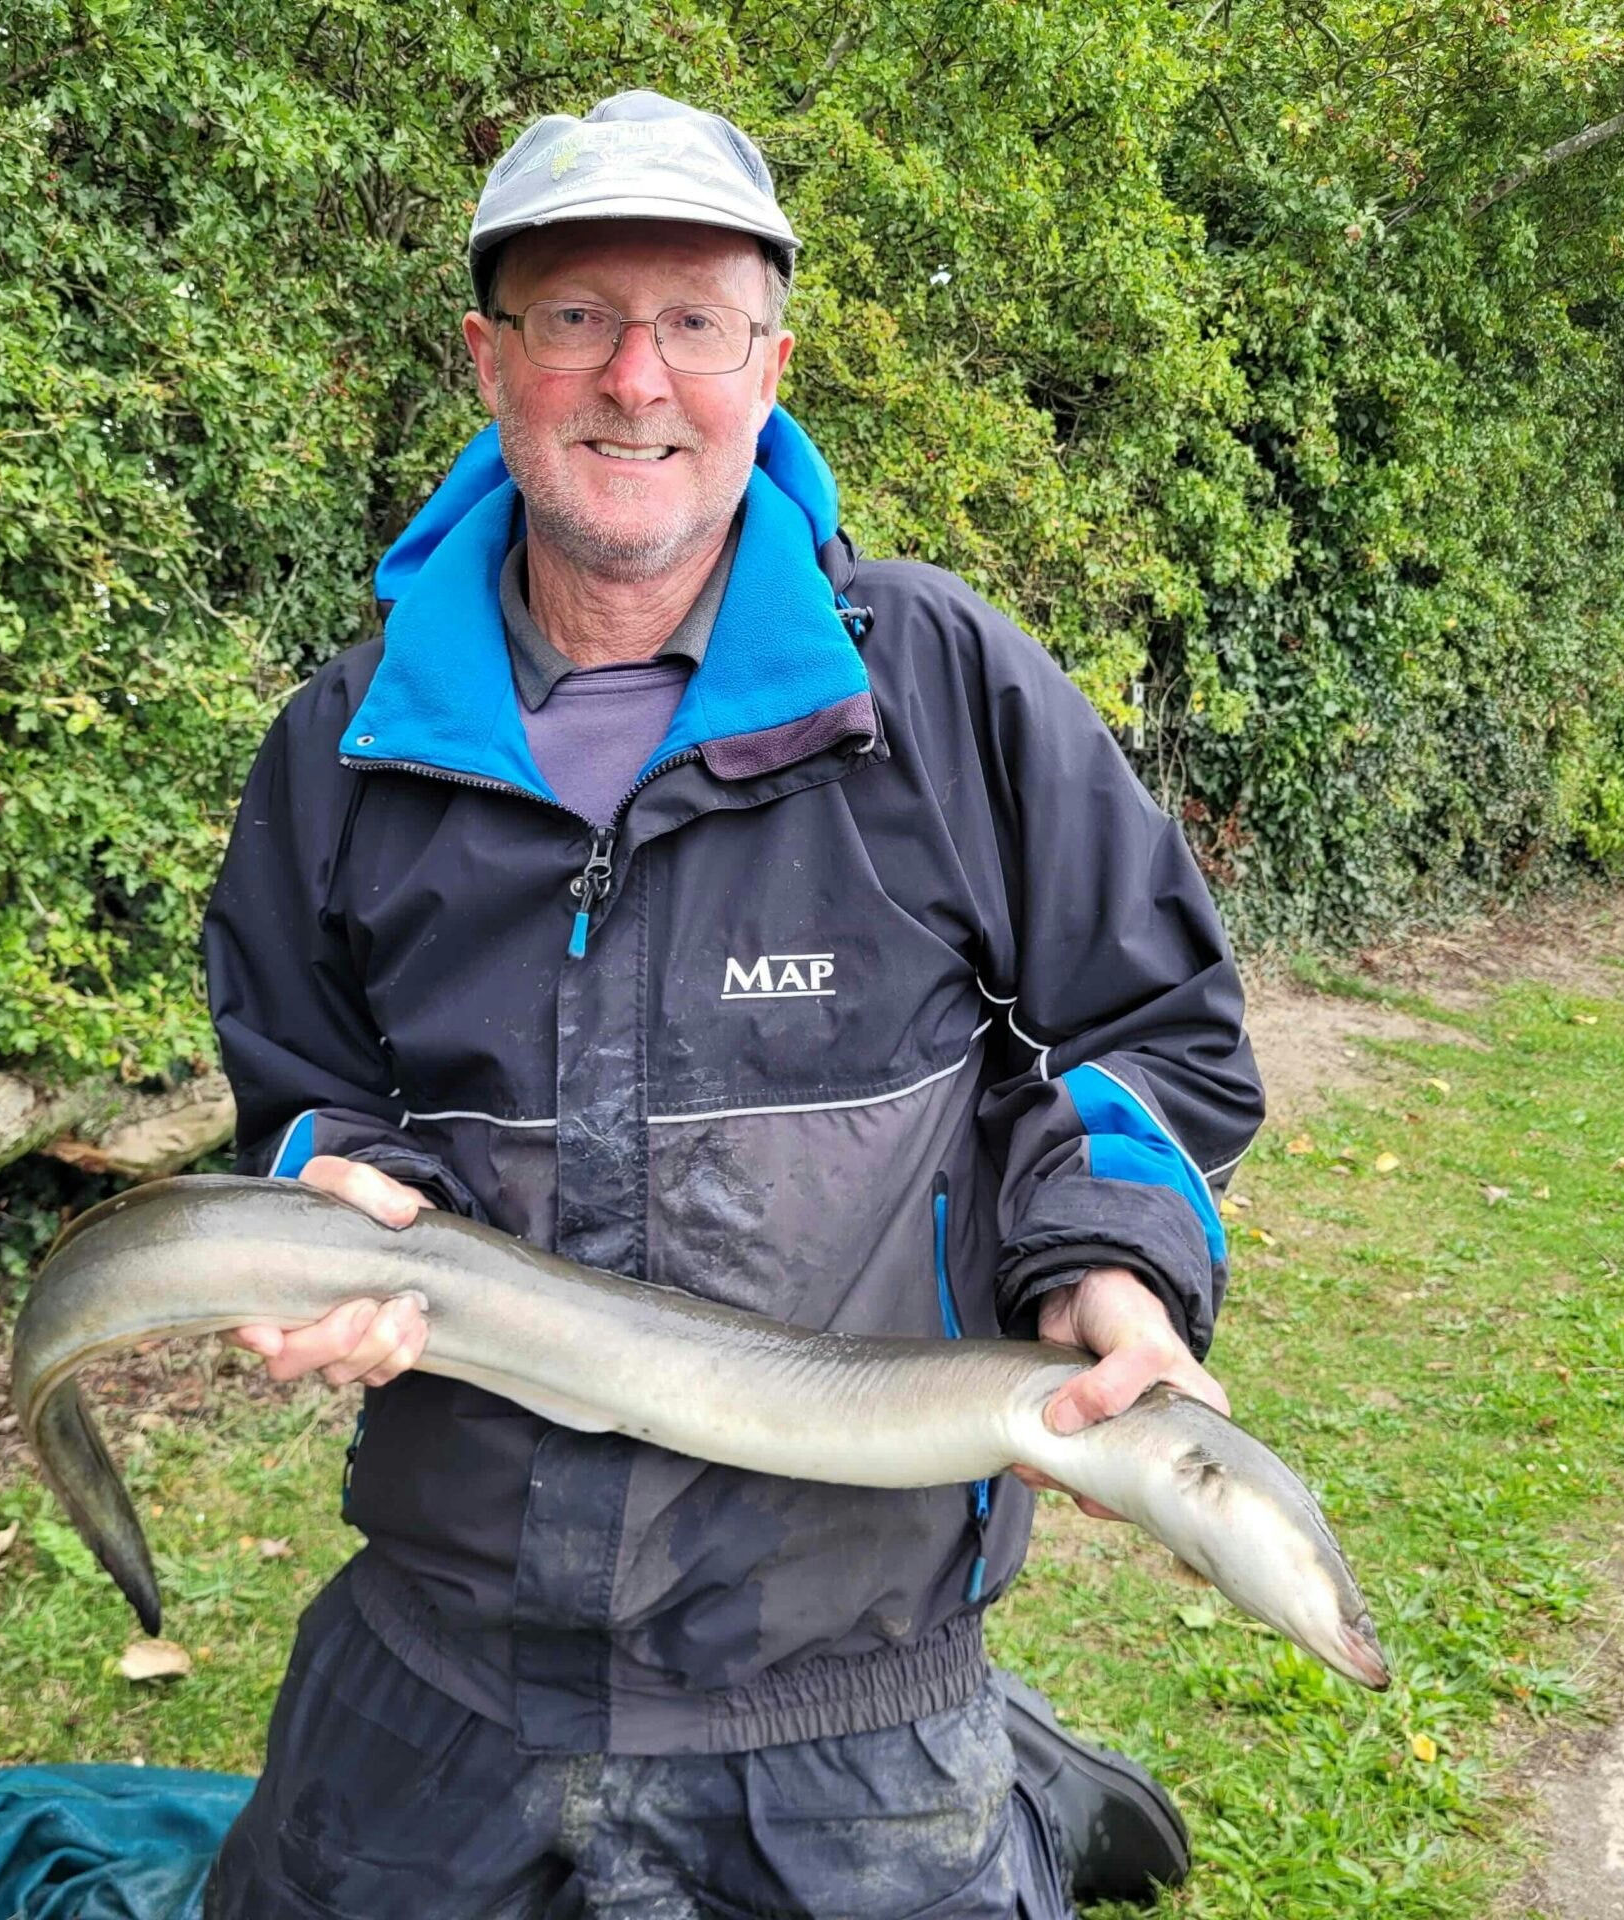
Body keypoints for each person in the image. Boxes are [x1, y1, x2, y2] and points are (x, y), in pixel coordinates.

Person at [199, 90, 1266, 1920]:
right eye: (575, 318)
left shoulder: (935, 683)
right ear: (488, 358)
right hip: (443, 1661)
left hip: (853, 1701)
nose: (637, 379)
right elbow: (300, 1081)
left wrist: (1112, 1266)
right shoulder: (348, 742)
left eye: (695, 320)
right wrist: (321, 1189)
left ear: (770, 359)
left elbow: (1148, 1029)